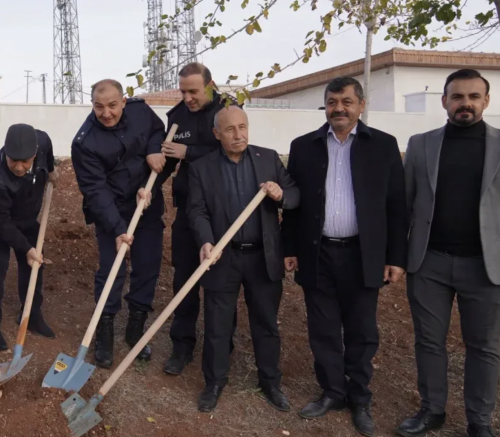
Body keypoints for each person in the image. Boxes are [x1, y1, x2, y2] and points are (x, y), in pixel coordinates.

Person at [281, 76, 407, 437]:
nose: (339, 108)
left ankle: (360, 397)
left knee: (361, 331)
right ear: (326, 105)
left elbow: (397, 207)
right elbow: (292, 206)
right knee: (322, 330)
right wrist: (290, 248)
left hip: (362, 255)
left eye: (346, 101)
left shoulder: (383, 146)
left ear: (361, 106)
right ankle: (333, 392)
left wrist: (395, 257)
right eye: (332, 101)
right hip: (317, 253)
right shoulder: (303, 147)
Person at [397, 69, 499, 437]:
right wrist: (396, 256)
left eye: (474, 96)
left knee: (484, 347)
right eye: (457, 97)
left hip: (486, 267)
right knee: (428, 341)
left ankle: (480, 422)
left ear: (486, 101)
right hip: (429, 263)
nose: (465, 103)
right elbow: (404, 206)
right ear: (444, 101)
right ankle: (432, 411)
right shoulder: (422, 145)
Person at [186, 105, 299, 413]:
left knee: (266, 323)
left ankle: (271, 382)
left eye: (243, 127)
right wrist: (207, 240)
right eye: (230, 129)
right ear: (216, 134)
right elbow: (196, 211)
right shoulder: (202, 167)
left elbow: (294, 195)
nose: (239, 134)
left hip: (263, 257)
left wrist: (280, 195)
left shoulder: (268, 158)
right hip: (223, 256)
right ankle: (214, 382)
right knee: (218, 325)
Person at [146, 61, 239, 376]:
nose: (187, 97)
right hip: (188, 209)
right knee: (183, 279)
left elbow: (230, 151)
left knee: (221, 283)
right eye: (183, 91)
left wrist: (189, 152)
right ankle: (181, 346)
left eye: (193, 91)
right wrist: (151, 185)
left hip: (224, 211)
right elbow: (170, 162)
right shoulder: (177, 117)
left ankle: (221, 349)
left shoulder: (229, 111)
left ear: (210, 86)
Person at [71, 78, 166, 368]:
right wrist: (117, 228)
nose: (107, 112)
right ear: (92, 105)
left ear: (123, 102)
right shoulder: (85, 142)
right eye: (99, 107)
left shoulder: (140, 112)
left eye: (113, 105)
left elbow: (157, 131)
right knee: (111, 269)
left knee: (147, 266)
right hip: (110, 209)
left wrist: (153, 151)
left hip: (146, 201)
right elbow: (96, 191)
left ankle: (136, 326)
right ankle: (105, 329)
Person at [0, 123, 59, 351]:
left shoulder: (42, 142)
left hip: (26, 210)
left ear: (34, 153)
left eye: (25, 161)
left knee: (35, 263)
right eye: (13, 161)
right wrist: (25, 248)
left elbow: (48, 150)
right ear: (5, 151)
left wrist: (50, 170)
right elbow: (0, 223)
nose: (19, 167)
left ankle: (31, 313)